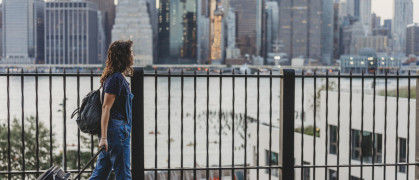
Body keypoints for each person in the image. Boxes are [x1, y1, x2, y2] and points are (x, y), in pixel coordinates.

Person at [90, 40, 134, 180]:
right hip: (117, 132)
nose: (133, 55)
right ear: (124, 56)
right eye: (131, 52)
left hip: (113, 131)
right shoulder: (116, 79)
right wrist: (103, 138)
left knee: (100, 174)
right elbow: (106, 107)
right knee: (124, 175)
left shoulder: (115, 77)